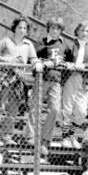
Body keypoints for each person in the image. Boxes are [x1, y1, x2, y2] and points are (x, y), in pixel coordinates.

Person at [0, 15, 38, 146]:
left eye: (25, 28)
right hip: (5, 77)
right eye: (20, 27)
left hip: (19, 79)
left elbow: (33, 59)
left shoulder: (28, 45)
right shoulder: (6, 41)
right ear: (14, 28)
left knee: (13, 109)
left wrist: (36, 63)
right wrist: (7, 60)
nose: (22, 30)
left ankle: (6, 135)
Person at [27, 17, 70, 159]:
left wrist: (63, 69)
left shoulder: (64, 45)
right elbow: (32, 59)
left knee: (55, 109)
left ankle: (45, 140)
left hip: (56, 81)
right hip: (41, 79)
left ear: (61, 31)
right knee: (35, 106)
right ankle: (31, 136)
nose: (55, 30)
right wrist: (44, 63)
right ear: (48, 29)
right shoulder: (41, 42)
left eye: (58, 28)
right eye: (53, 28)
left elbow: (69, 62)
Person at [60, 20, 88, 149]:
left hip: (84, 80)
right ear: (77, 31)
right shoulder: (70, 44)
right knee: (67, 109)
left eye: (87, 31)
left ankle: (72, 134)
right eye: (82, 30)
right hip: (70, 77)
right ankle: (65, 137)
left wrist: (84, 66)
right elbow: (62, 59)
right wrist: (69, 65)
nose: (84, 33)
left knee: (81, 111)